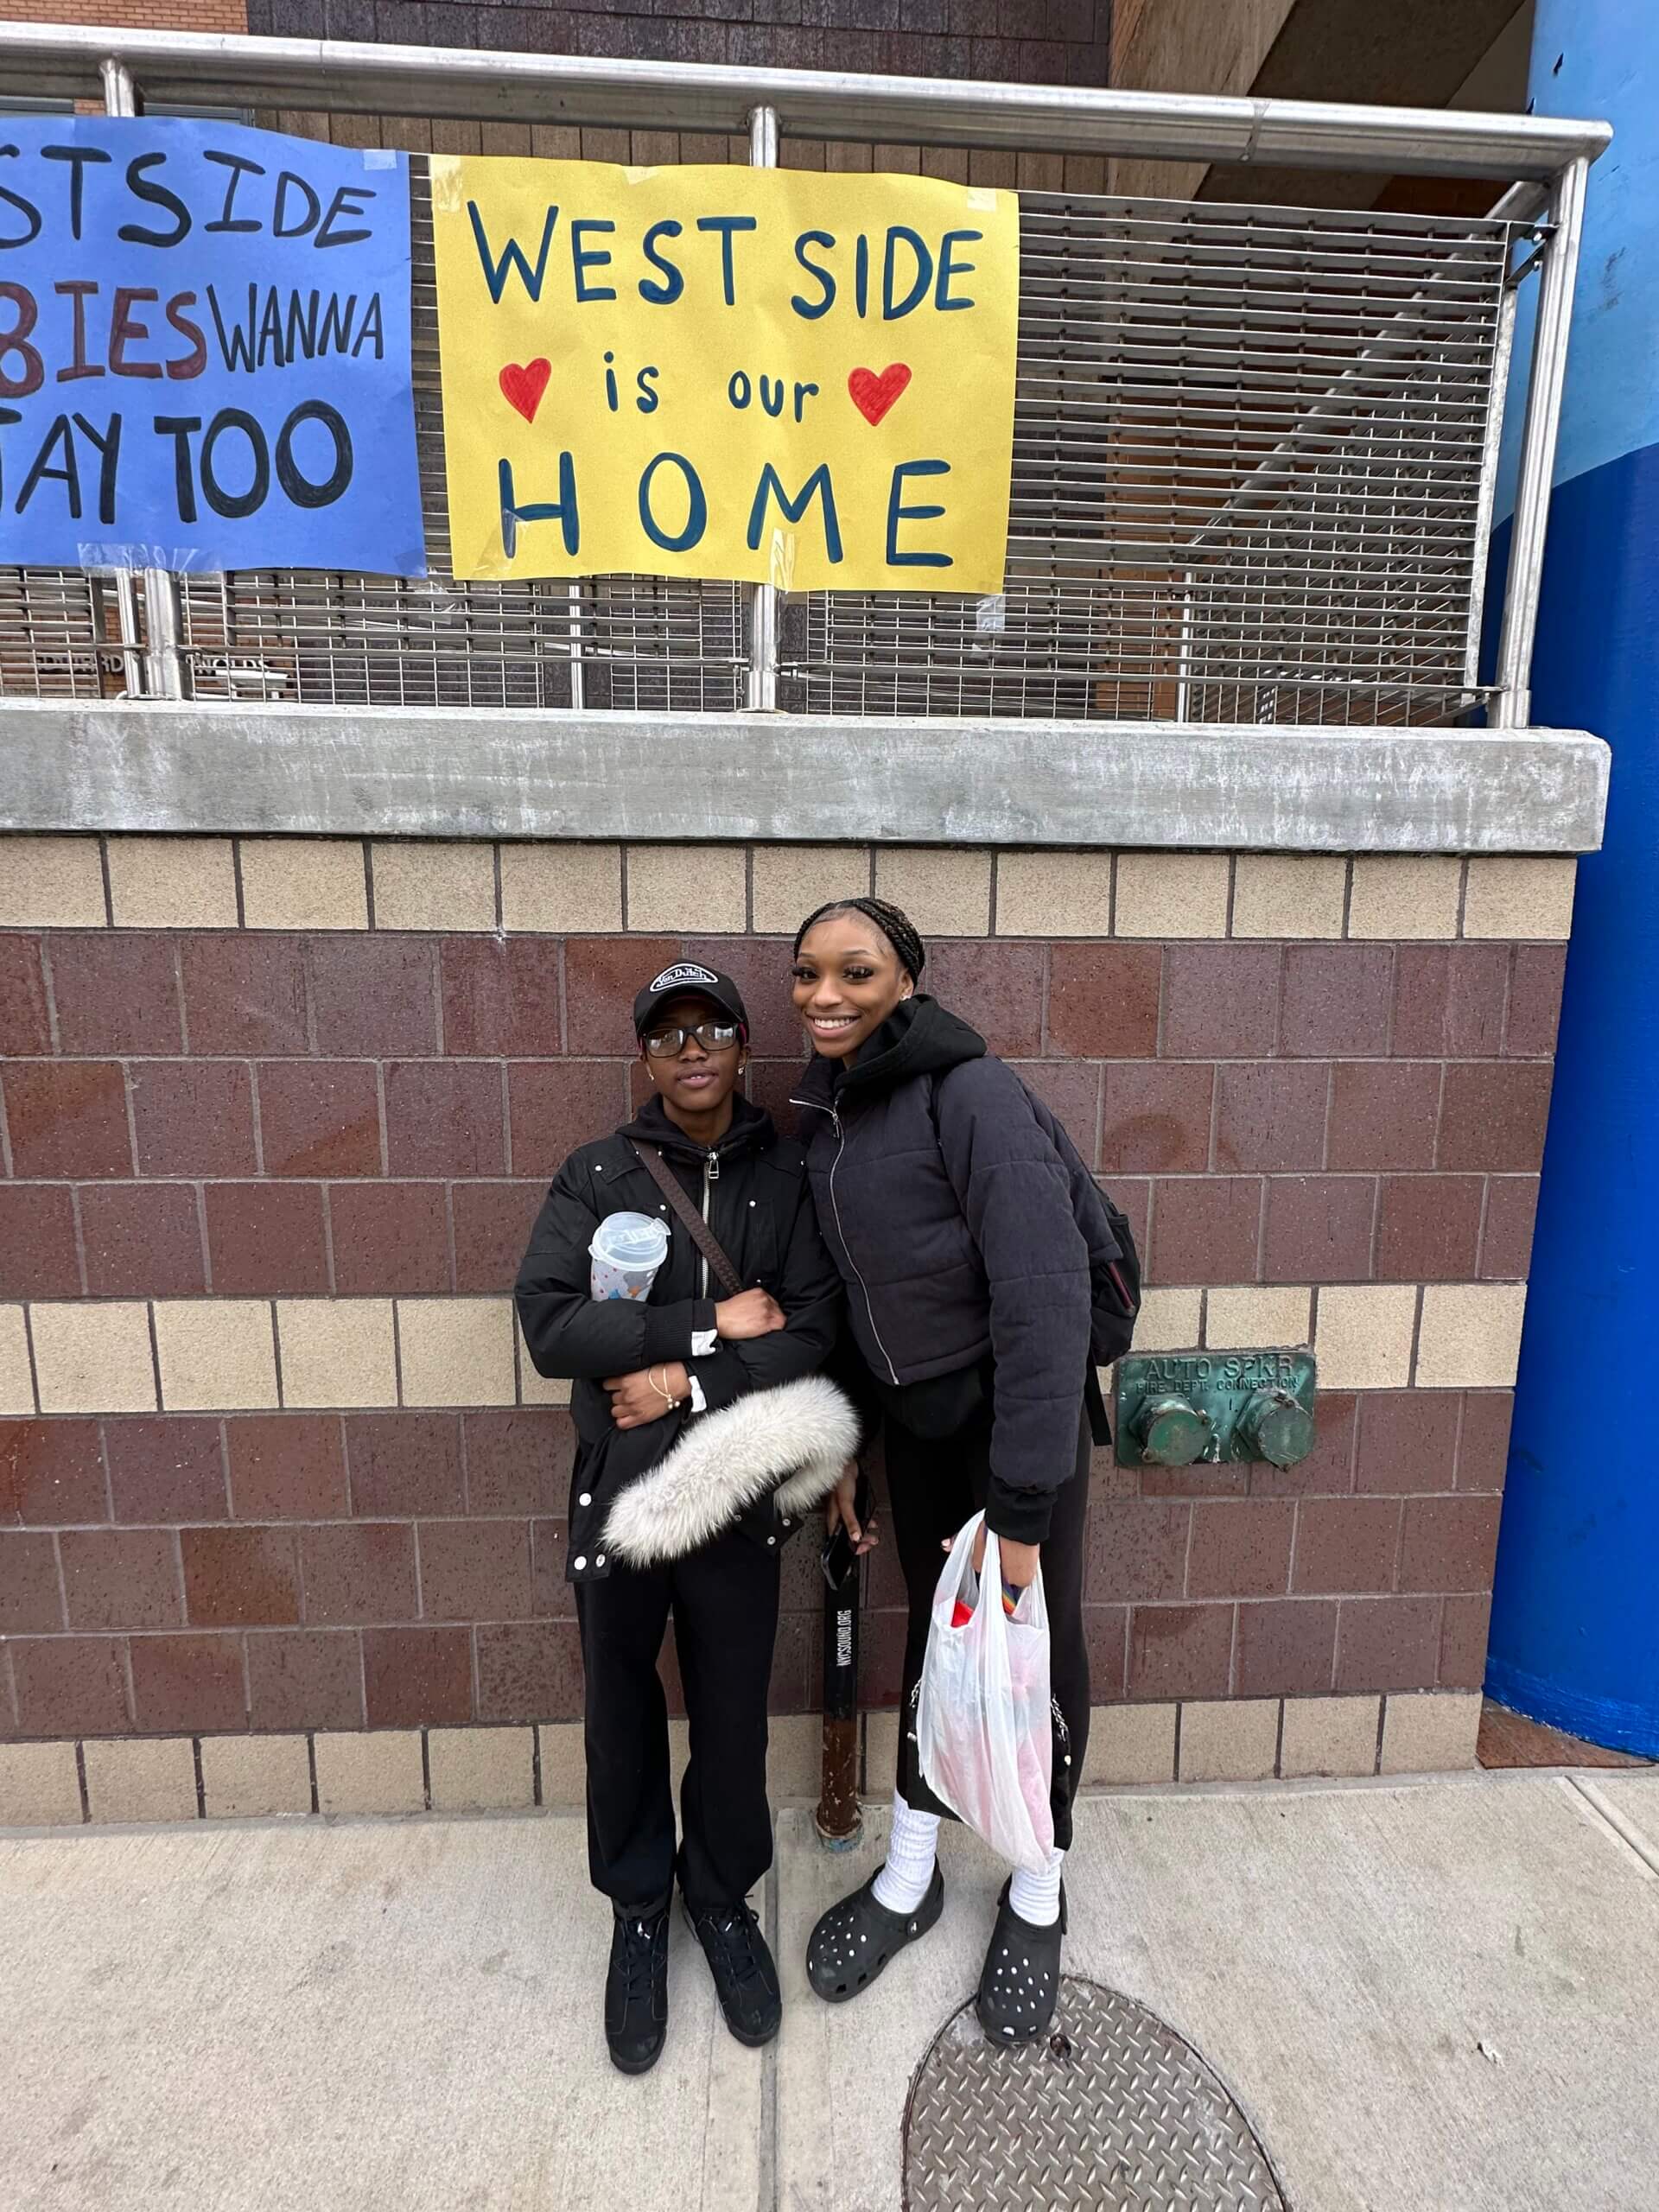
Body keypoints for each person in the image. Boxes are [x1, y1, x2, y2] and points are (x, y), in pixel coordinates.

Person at [791, 898, 1121, 2045]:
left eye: (855, 971)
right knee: (940, 1648)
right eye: (808, 974)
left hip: (1017, 1440)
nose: (825, 994)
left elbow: (1045, 1295)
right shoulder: (828, 1121)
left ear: (907, 983)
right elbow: (847, 1317)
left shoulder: (970, 1094)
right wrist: (845, 1460)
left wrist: (1024, 1504)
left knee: (1037, 1661)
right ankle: (913, 1875)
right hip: (922, 1440)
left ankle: (1038, 1886)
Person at [514, 960, 852, 2076]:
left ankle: (718, 1898)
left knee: (731, 1718)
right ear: (646, 1059)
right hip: (618, 1505)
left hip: (736, 1504)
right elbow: (554, 1331)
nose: (693, 1049)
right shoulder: (599, 1173)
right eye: (670, 1036)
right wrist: (707, 1329)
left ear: (744, 1047)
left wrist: (681, 1386)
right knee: (620, 1712)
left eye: (713, 1029)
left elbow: (807, 1334)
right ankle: (637, 1910)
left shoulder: (787, 1179)